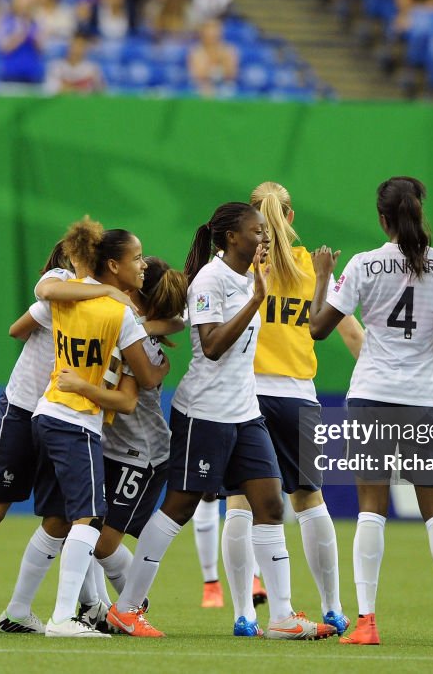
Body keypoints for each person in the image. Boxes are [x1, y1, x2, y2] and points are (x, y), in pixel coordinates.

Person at [106, 202, 335, 640]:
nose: (264, 237)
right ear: (232, 237)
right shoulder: (212, 279)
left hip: (245, 413)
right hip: (204, 413)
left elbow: (184, 324)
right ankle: (126, 608)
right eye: (257, 230)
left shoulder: (252, 276)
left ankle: (283, 617)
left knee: (270, 505)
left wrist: (257, 292)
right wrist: (255, 302)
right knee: (179, 507)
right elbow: (211, 346)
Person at [0, 220, 145, 633]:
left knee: (66, 515)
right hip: (24, 406)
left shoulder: (109, 307)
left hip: (63, 410)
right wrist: (103, 292)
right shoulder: (64, 284)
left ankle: (50, 608)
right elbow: (21, 323)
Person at [308, 176, 433, 648]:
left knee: (371, 509)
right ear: (420, 210)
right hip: (424, 400)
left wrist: (323, 274)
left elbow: (318, 330)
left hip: (372, 396)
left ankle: (366, 623)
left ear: (382, 218)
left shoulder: (365, 265)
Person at [220, 182, 364, 637]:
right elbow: (353, 335)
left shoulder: (237, 266)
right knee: (308, 501)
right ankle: (333, 608)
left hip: (242, 394)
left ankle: (244, 613)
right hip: (296, 394)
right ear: (292, 216)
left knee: (240, 504)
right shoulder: (309, 267)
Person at [31, 227, 169, 637]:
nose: (142, 264)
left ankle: (69, 609)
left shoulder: (65, 292)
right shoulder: (120, 314)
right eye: (137, 258)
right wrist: (160, 361)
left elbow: (33, 307)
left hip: (49, 413)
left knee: (73, 522)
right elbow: (141, 381)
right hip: (78, 421)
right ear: (112, 265)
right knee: (89, 522)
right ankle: (64, 618)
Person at [77, 255, 187, 624]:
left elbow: (145, 382)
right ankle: (104, 609)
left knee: (104, 544)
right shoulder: (133, 324)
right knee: (87, 532)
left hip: (143, 455)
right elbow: (176, 321)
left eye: (140, 268)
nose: (133, 269)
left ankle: (131, 605)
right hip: (114, 446)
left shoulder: (135, 334)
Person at [188, 19, 238, 98]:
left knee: (228, 91)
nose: (212, 34)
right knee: (204, 91)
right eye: (208, 31)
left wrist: (217, 65)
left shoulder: (229, 50)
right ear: (203, 33)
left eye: (215, 31)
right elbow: (197, 75)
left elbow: (232, 73)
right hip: (202, 86)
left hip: (225, 86)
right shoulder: (196, 51)